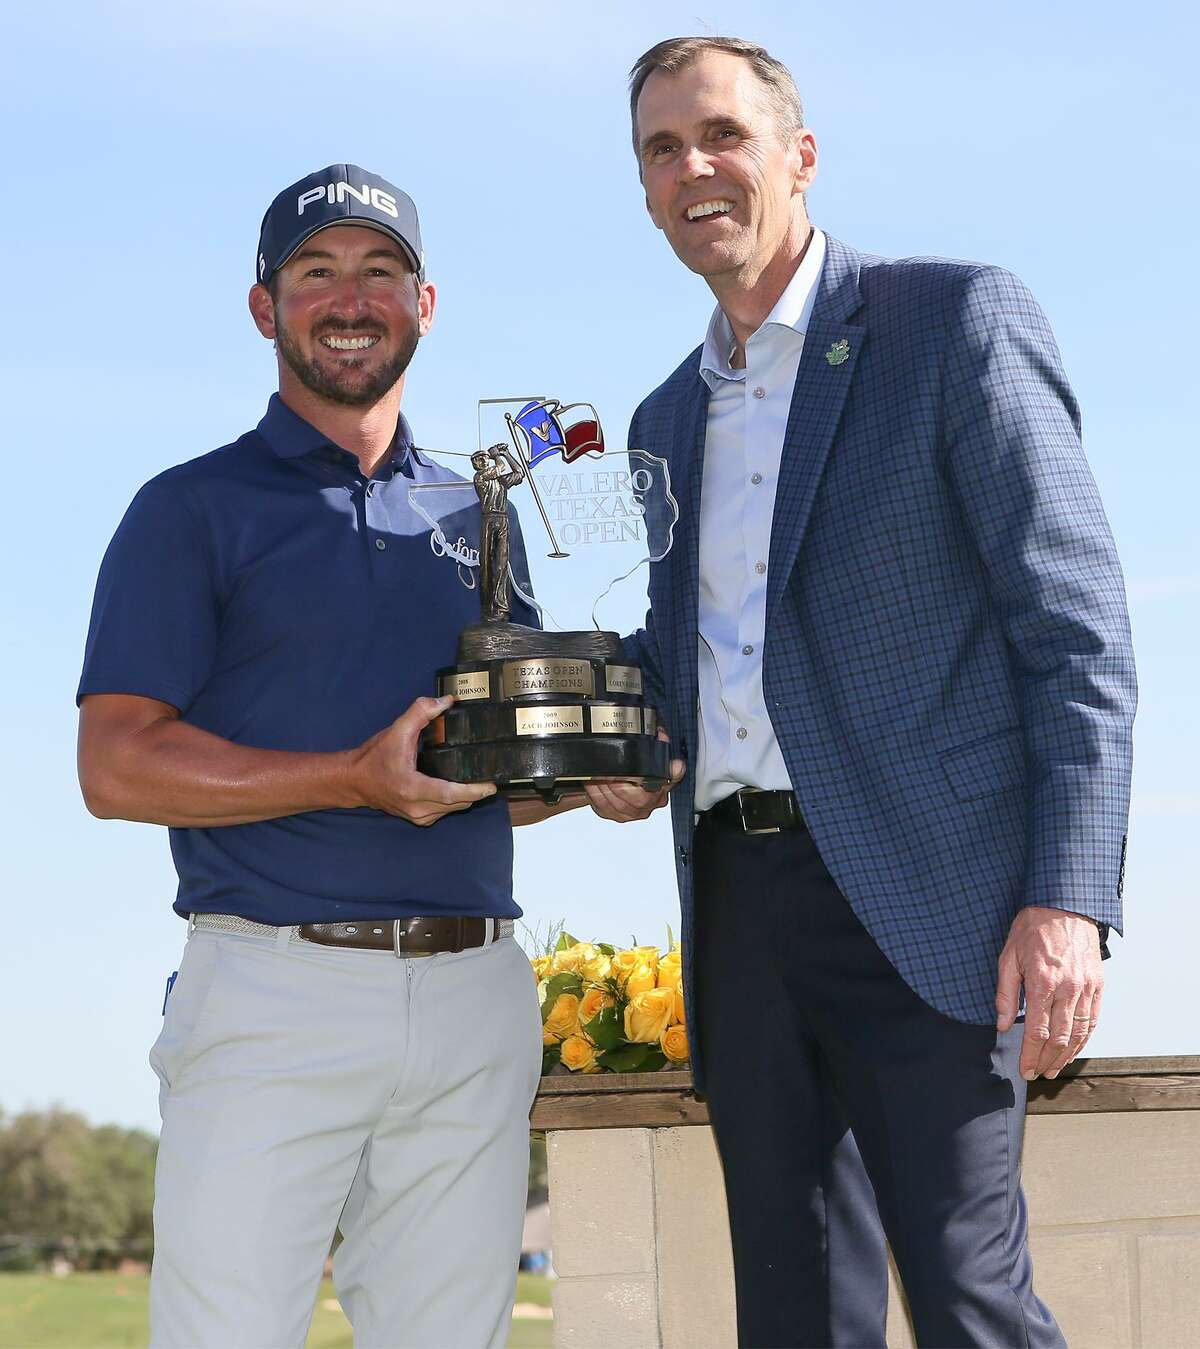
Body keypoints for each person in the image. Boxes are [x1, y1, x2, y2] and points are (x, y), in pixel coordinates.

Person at [586, 37, 1136, 1349]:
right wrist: (612, 742)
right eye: (662, 149)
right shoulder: (661, 419)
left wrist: (1068, 898)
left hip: (927, 899)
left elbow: (1077, 631)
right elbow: (695, 664)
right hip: (736, 910)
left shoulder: (952, 323)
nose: (693, 169)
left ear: (799, 155)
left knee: (966, 1302)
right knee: (793, 1313)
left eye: (721, 134)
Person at [77, 163, 551, 1349]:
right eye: (316, 272)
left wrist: (591, 776)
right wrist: (350, 774)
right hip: (275, 993)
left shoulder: (481, 514)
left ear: (424, 304)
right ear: (264, 306)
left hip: (474, 991)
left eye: (379, 272)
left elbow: (484, 776)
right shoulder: (188, 509)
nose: (351, 299)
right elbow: (116, 765)